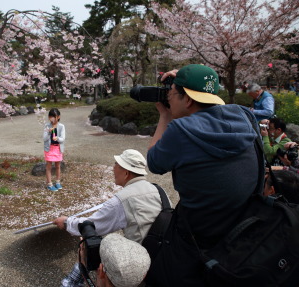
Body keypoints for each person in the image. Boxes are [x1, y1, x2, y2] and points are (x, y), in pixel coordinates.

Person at [147, 64, 261, 286]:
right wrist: (192, 78)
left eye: (171, 94)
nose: (168, 99)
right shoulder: (244, 115)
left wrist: (164, 116)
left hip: (198, 234)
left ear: (187, 100)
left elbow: (153, 162)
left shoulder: (180, 130)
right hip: (246, 224)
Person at [53, 149, 163, 287]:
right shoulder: (158, 190)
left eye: (116, 164)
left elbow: (91, 225)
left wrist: (66, 222)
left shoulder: (123, 200)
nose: (113, 168)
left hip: (137, 265)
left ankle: (71, 282)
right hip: (163, 255)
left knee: (89, 242)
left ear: (126, 172)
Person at [43, 108, 65, 191]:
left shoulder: (61, 126)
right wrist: (49, 132)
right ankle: (49, 184)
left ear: (58, 117)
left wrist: (57, 138)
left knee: (58, 166)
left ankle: (58, 182)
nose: (52, 119)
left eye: (54, 117)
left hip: (58, 148)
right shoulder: (47, 126)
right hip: (49, 148)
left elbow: (63, 139)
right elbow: (44, 139)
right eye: (51, 117)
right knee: (48, 166)